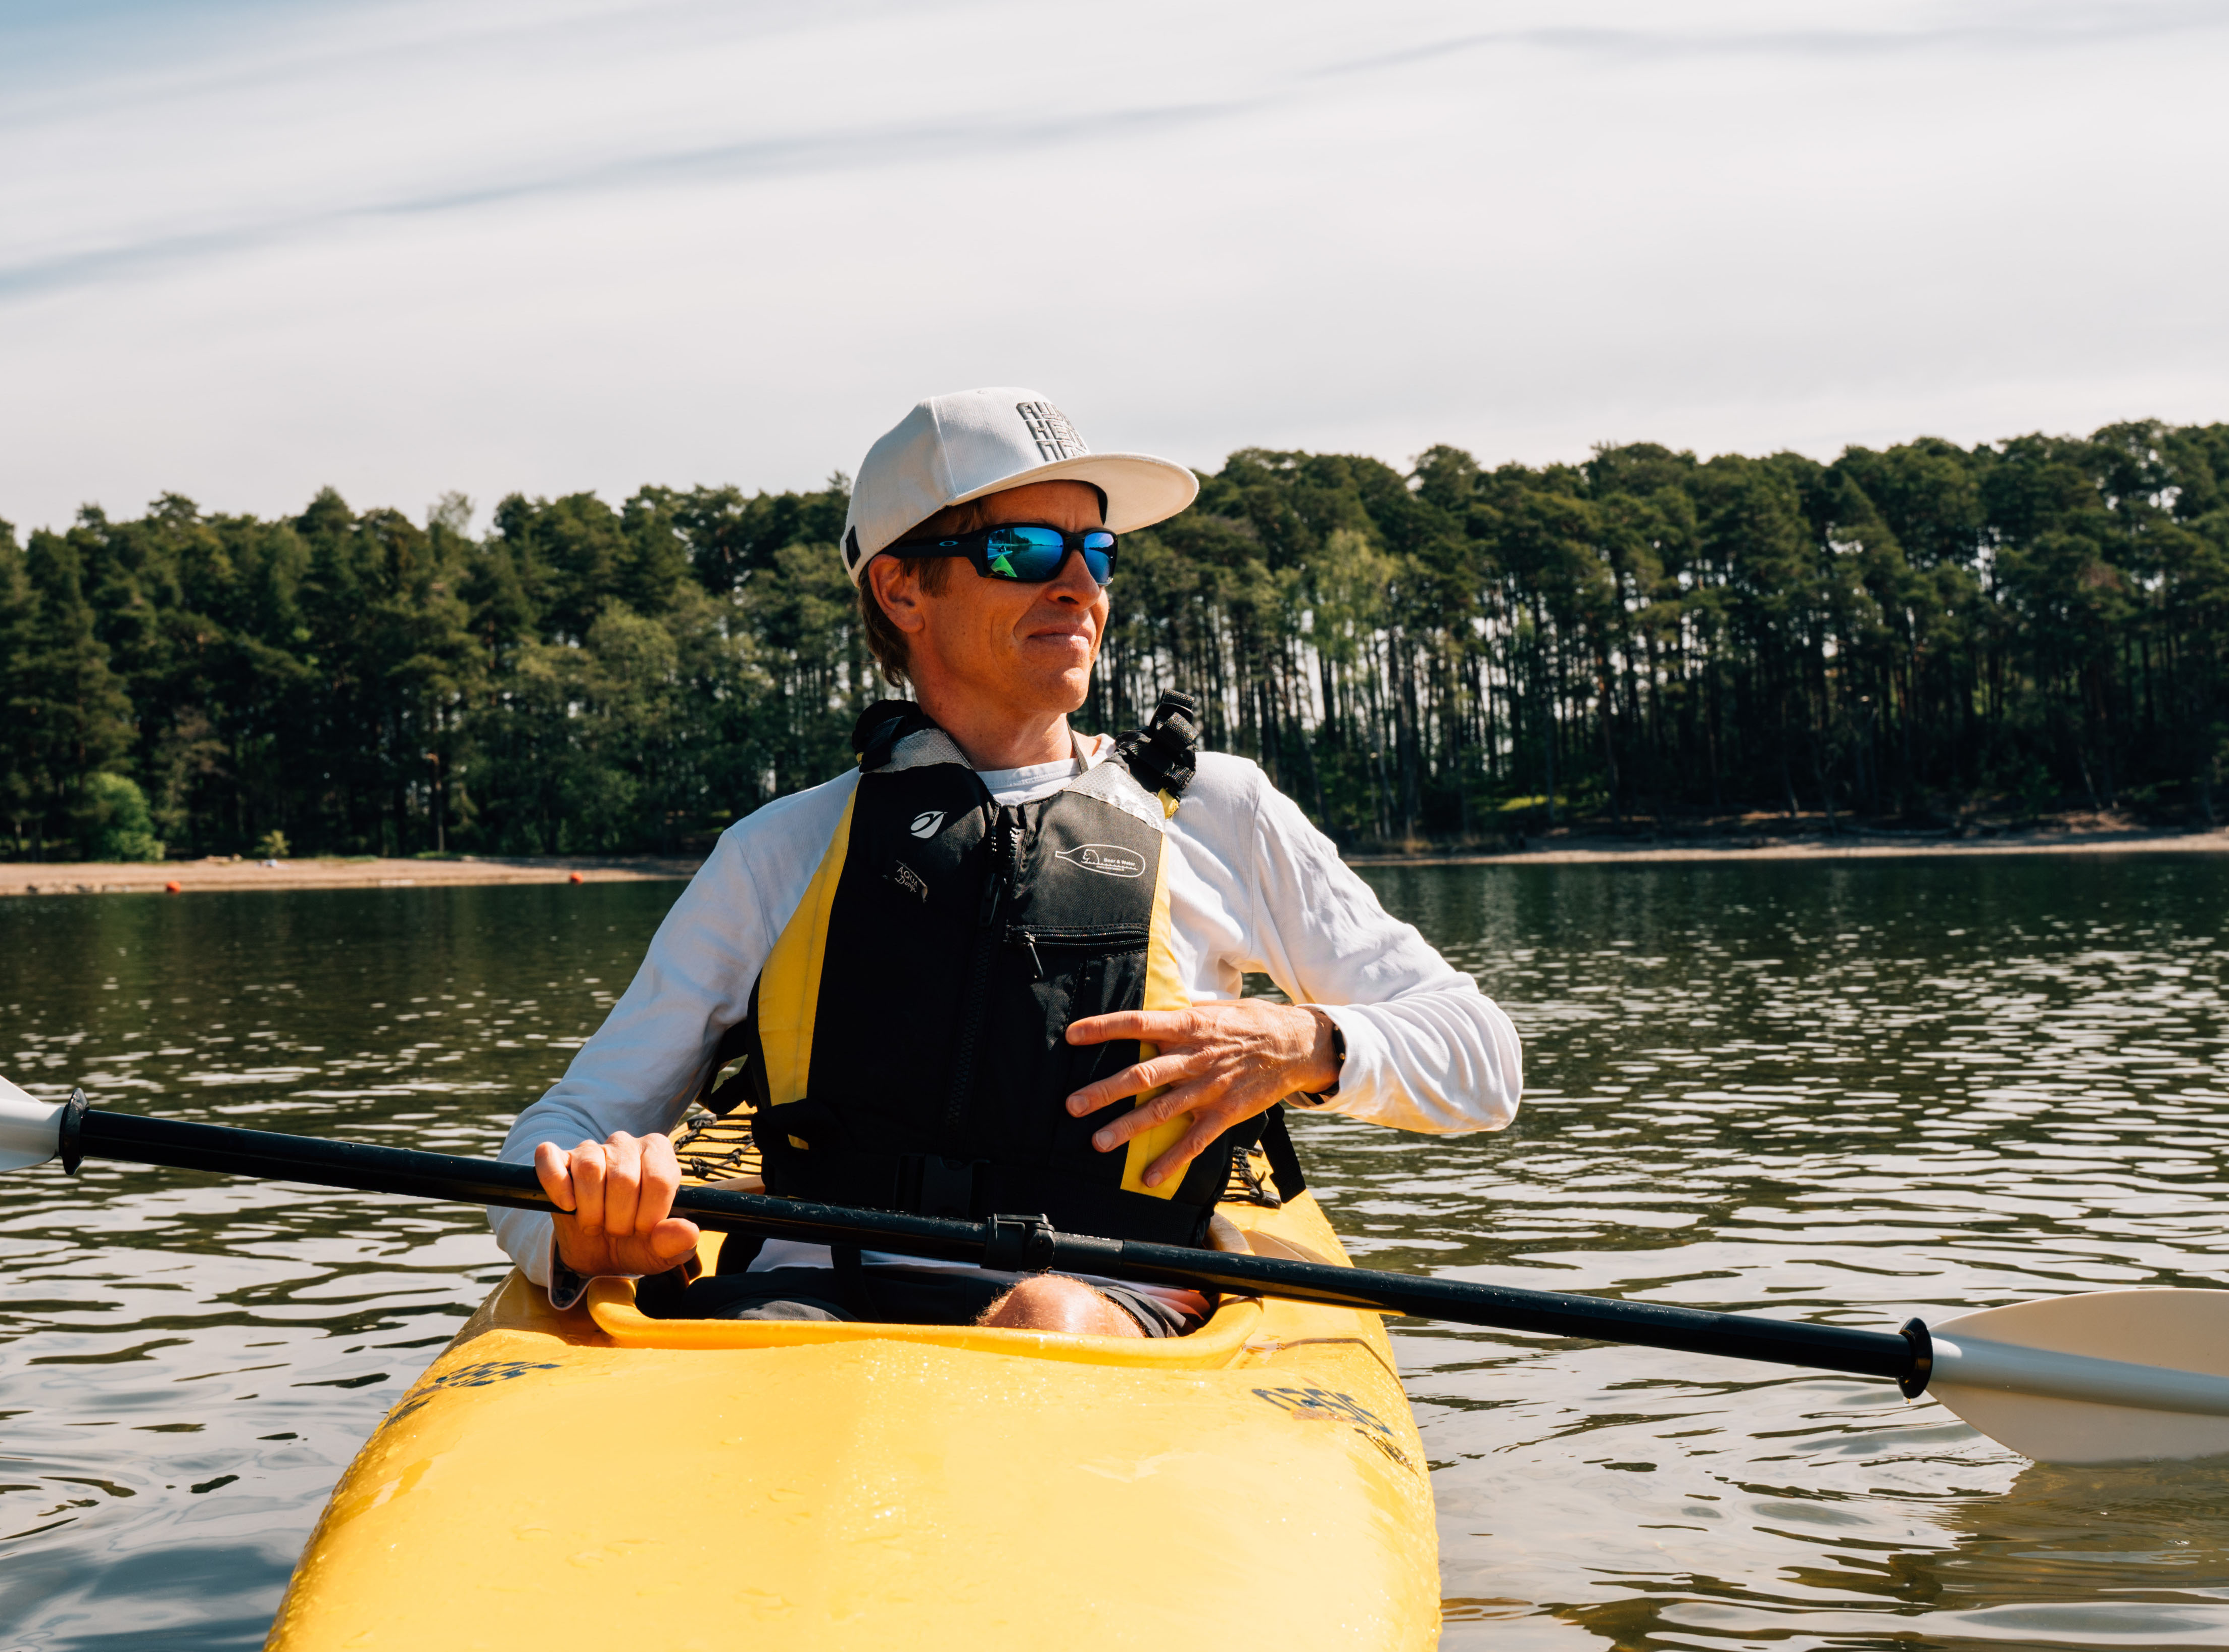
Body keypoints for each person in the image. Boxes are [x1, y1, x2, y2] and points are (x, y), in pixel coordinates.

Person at [497, 387, 1519, 1336]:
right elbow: (569, 1123)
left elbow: (1483, 1061)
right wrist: (579, 1227)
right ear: (901, 588)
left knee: (1046, 1317)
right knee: (778, 1339)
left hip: (1107, 1290)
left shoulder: (1222, 810)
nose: (1080, 584)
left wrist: (1309, 1042)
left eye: (1099, 551)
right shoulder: (781, 849)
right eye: (1027, 549)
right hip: (816, 1298)